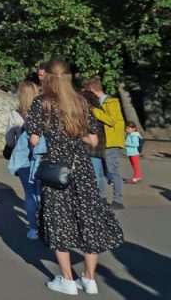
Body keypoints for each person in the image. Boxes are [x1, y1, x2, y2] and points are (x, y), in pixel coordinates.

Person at [25, 58, 123, 295]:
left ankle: (67, 280)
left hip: (56, 168)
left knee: (58, 219)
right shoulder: (81, 102)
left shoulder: (42, 103)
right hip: (82, 167)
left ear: (47, 77)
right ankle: (89, 279)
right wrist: (75, 135)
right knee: (88, 216)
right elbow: (93, 140)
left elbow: (34, 139)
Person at [5, 80, 40, 239]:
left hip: (23, 159)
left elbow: (9, 140)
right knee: (42, 192)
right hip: (41, 157)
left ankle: (33, 228)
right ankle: (46, 224)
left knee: (29, 193)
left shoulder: (15, 114)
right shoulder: (43, 113)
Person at [85, 79, 125, 210]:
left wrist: (94, 110)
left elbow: (111, 120)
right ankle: (102, 197)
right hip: (103, 142)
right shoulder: (100, 102)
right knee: (101, 172)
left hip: (111, 142)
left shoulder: (111, 101)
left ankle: (118, 200)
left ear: (92, 90)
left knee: (113, 171)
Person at [81, 89, 108, 195]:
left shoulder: (89, 114)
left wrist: (79, 136)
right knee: (97, 175)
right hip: (98, 150)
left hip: (90, 149)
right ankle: (99, 199)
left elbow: (91, 135)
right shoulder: (98, 111)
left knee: (93, 177)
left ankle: (93, 200)